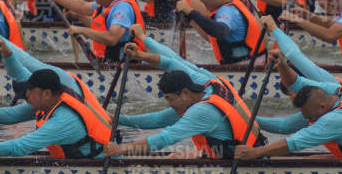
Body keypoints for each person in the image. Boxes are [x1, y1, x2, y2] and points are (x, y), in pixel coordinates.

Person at [0, 67, 114, 159]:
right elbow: (11, 116)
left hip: (99, 167)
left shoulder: (63, 120)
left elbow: (21, 147)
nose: (26, 97)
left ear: (45, 93)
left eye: (29, 92)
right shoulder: (50, 101)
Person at [105, 67, 264, 159]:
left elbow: (166, 138)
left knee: (174, 157)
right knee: (174, 157)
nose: (170, 105)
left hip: (246, 162)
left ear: (185, 92)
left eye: (170, 99)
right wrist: (117, 119)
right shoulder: (206, 92)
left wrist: (121, 149)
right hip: (233, 153)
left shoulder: (202, 111)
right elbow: (157, 119)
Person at [235, 84, 342, 161]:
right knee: (311, 159)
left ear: (321, 106)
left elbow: (293, 143)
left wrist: (255, 153)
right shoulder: (335, 99)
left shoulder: (334, 120)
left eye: (310, 118)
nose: (310, 121)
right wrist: (248, 117)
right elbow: (284, 127)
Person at [47, 0, 144, 63]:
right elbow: (83, 6)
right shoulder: (107, 2)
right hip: (109, 62)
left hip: (128, 66)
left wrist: (81, 30)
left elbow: (112, 38)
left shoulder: (122, 7)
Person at [177, 0, 264, 63]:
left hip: (246, 68)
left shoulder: (228, 12)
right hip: (250, 62)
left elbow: (219, 31)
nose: (201, 0)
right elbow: (212, 36)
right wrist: (191, 19)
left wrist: (191, 12)